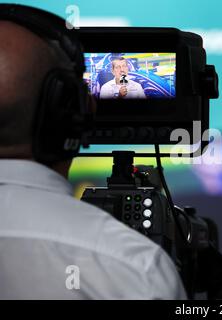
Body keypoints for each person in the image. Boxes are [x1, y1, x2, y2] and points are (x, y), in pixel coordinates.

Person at [0, 9, 185, 299]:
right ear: (76, 111)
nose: (122, 71)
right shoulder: (134, 268)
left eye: (125, 67)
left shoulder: (137, 87)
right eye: (118, 68)